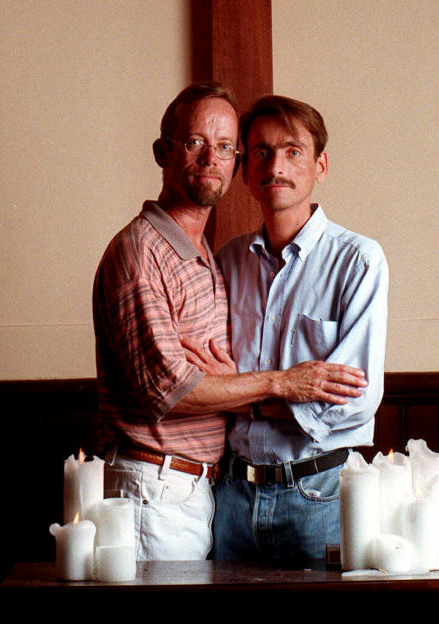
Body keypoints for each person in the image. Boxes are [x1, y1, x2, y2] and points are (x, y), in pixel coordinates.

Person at [92, 82, 367, 560]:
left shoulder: (206, 254)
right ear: (163, 152)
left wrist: (238, 391)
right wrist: (281, 384)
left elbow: (351, 406)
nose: (210, 159)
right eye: (195, 142)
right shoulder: (141, 252)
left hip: (207, 491)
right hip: (155, 488)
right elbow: (167, 391)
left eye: (224, 147)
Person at [204, 94, 389, 565]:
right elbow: (207, 377)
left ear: (320, 164)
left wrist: (249, 399)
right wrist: (287, 393)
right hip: (230, 497)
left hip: (318, 493)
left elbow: (356, 401)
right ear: (246, 171)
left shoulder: (358, 261)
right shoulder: (226, 261)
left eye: (292, 151)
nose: (275, 167)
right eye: (261, 152)